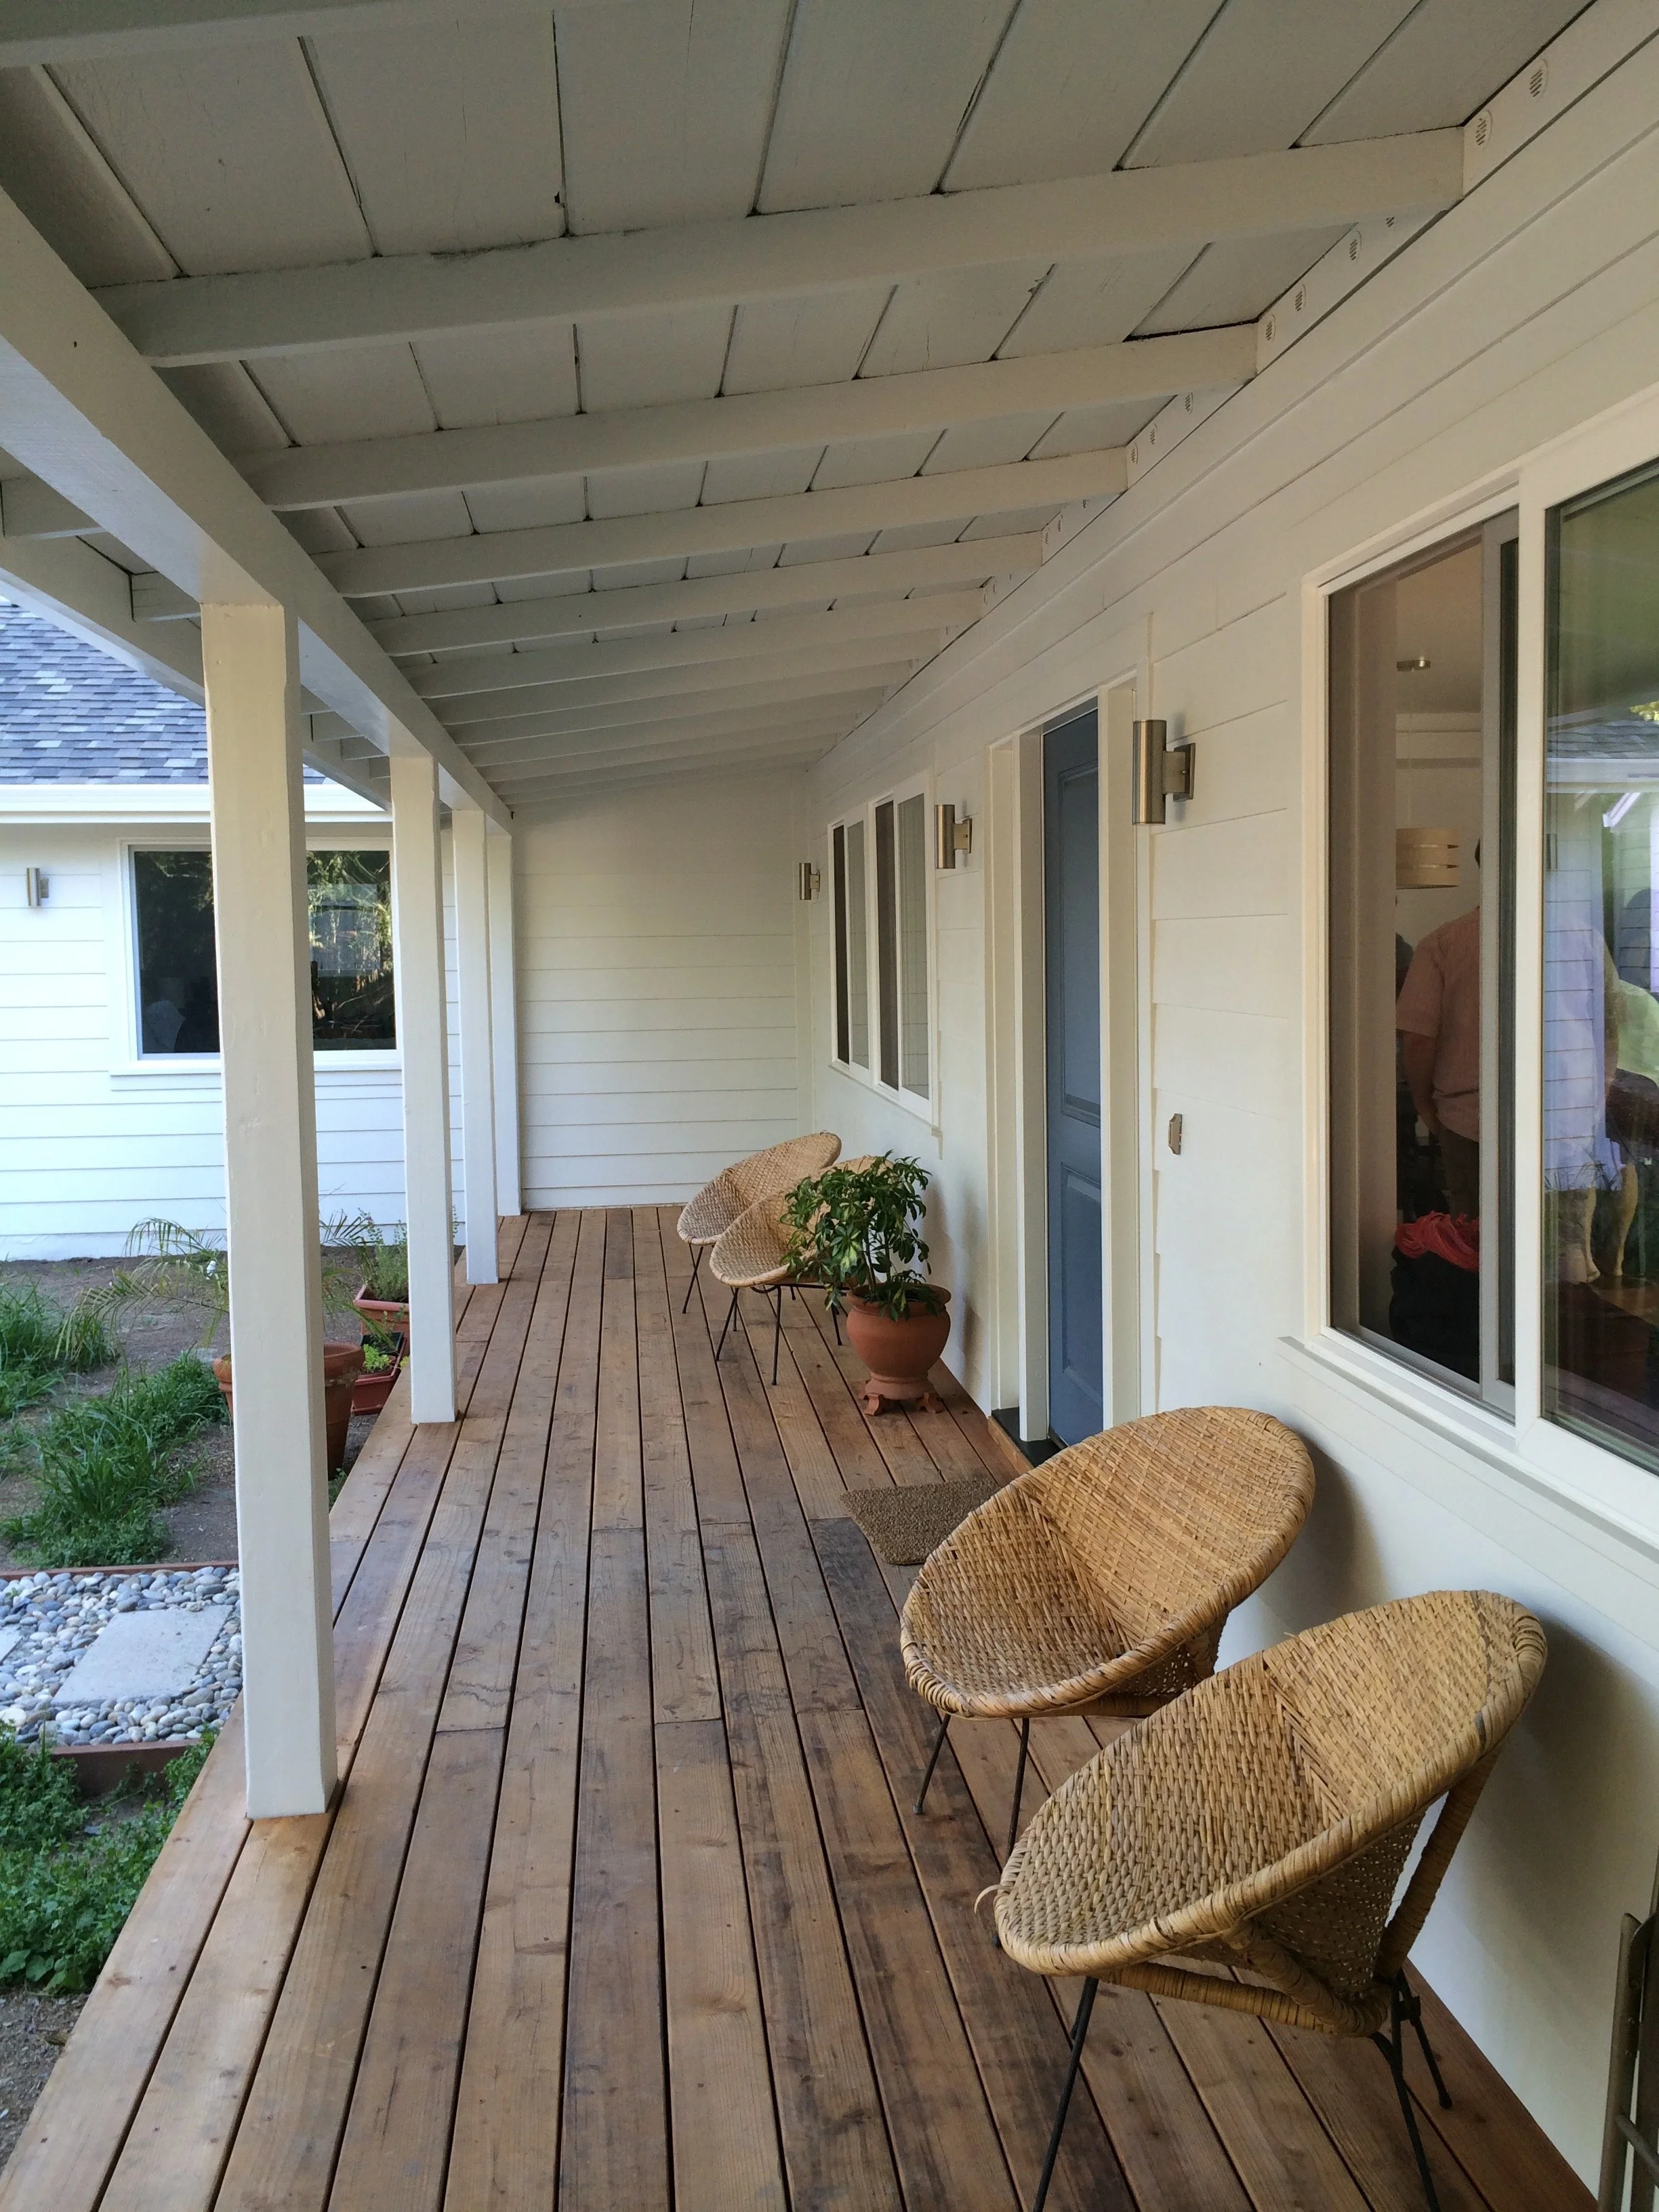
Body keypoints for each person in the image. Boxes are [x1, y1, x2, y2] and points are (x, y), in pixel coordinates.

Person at [1397, 905, 1481, 1220]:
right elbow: (1611, 1023)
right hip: (1563, 1117)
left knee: (1474, 1235)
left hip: (1469, 1115)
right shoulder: (1584, 937)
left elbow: (1418, 1037)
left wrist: (1425, 1105)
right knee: (1566, 1240)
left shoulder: (1444, 942)